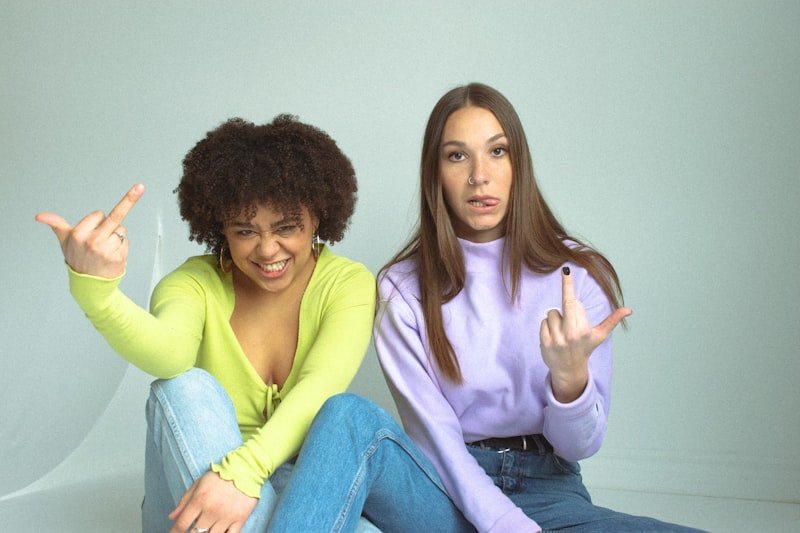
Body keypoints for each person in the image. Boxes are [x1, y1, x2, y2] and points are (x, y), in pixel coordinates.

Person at [372, 83, 706, 532]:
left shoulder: (578, 275)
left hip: (550, 487)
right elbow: (436, 440)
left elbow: (580, 446)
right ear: (435, 173)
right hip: (449, 491)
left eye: (497, 151)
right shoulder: (401, 288)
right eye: (457, 156)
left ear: (519, 165)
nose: (479, 176)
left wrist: (570, 382)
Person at [36, 115, 381, 533]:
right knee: (184, 386)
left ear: (318, 218)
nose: (267, 249)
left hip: (292, 488)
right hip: (195, 488)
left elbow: (321, 386)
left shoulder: (347, 284)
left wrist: (245, 473)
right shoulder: (193, 284)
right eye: (245, 231)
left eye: (287, 227)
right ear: (221, 229)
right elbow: (170, 355)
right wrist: (98, 294)